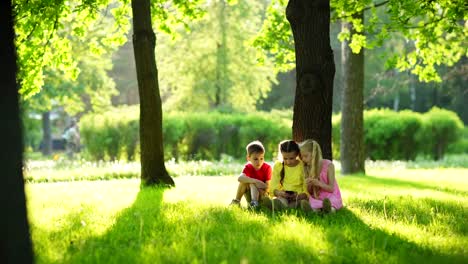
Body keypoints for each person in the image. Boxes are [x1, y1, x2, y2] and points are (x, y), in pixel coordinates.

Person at [299, 139, 343, 213]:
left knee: (331, 205)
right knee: (314, 202)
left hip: (330, 195)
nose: (303, 159)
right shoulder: (307, 168)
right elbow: (310, 192)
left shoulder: (328, 165)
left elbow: (331, 188)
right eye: (301, 157)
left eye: (305, 156)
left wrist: (319, 183)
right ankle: (313, 211)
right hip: (318, 197)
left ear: (314, 155)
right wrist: (308, 185)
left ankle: (329, 210)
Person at [230, 140, 272, 209]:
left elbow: (267, 187)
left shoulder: (267, 168)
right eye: (255, 159)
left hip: (262, 195)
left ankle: (255, 203)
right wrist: (256, 181)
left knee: (251, 183)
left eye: (261, 158)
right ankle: (237, 201)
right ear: (248, 158)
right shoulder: (248, 167)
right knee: (244, 182)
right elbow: (240, 178)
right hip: (251, 195)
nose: (259, 162)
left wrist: (257, 185)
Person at [268, 140, 308, 209]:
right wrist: (280, 193)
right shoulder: (279, 165)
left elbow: (306, 187)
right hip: (283, 196)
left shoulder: (302, 166)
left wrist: (298, 196)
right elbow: (273, 187)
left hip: (298, 196)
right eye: (285, 158)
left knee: (297, 203)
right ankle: (276, 204)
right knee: (282, 201)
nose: (288, 162)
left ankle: (279, 207)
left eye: (291, 158)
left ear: (297, 154)